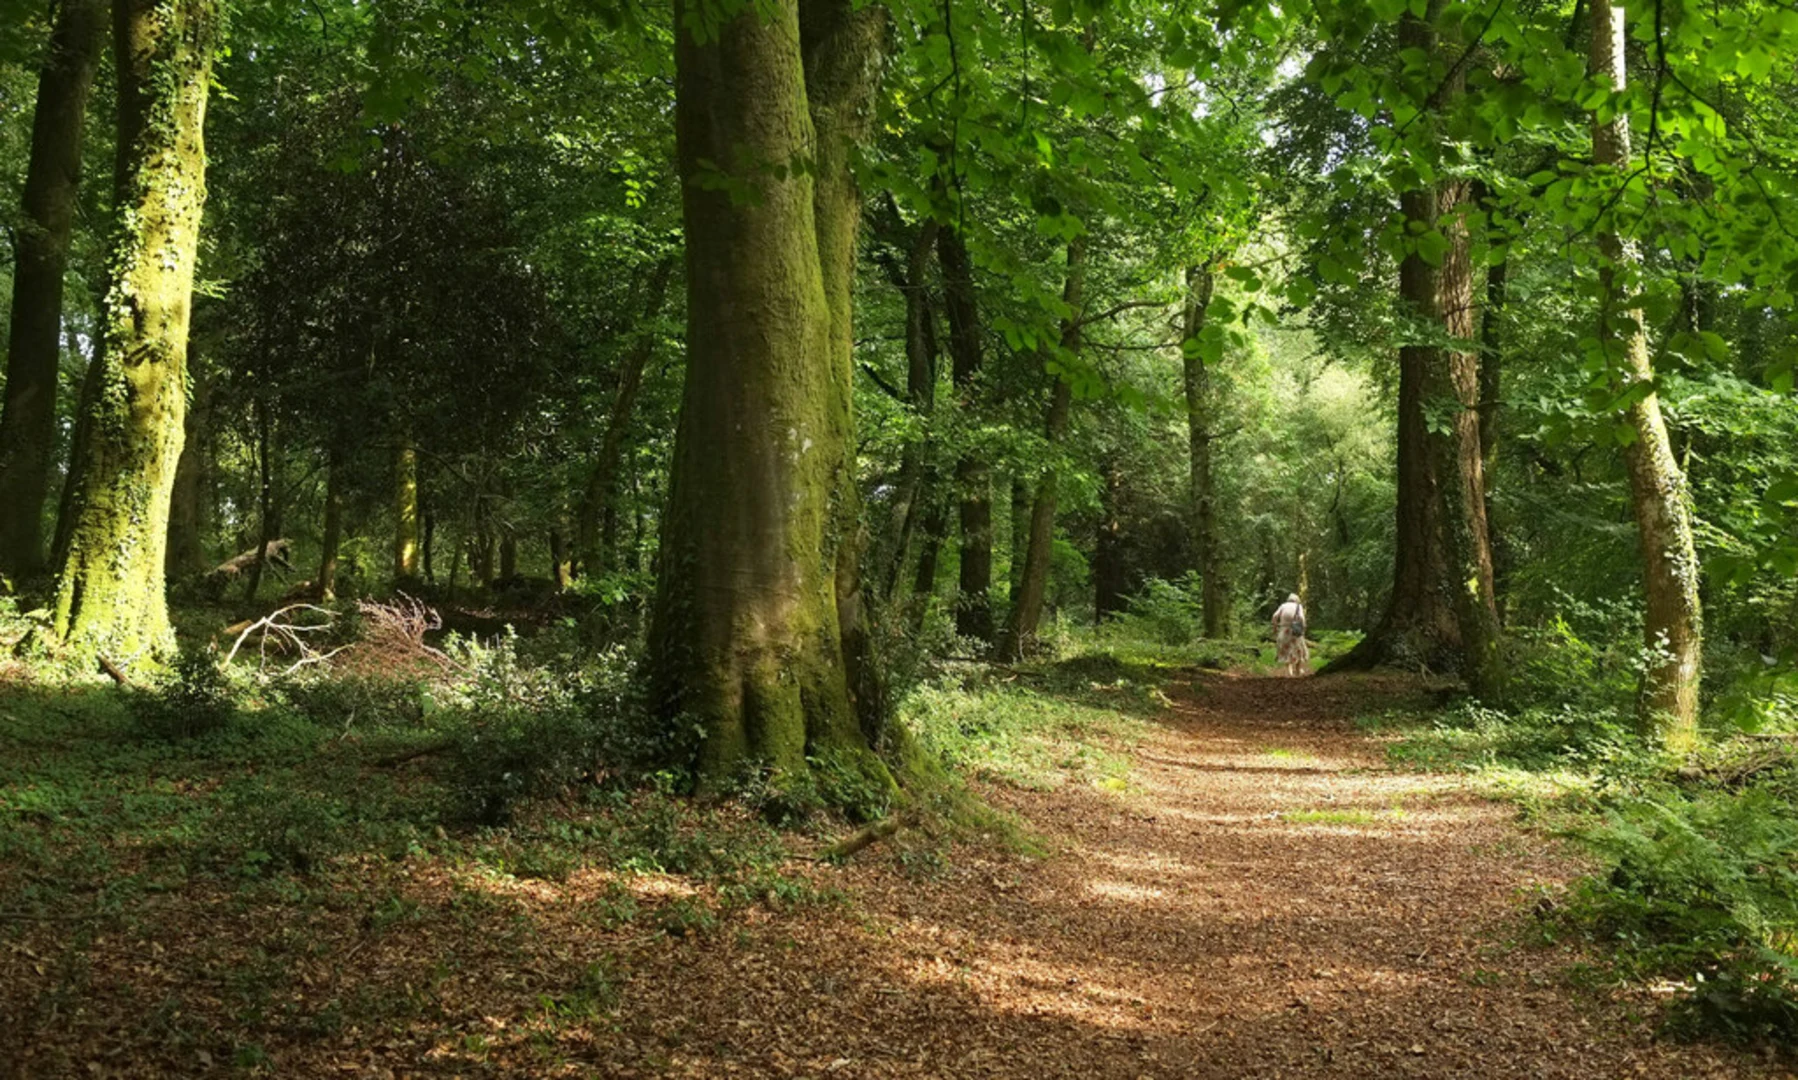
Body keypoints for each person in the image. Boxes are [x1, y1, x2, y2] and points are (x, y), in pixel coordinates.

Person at [1272, 592, 1308, 677]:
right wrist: (1303, 628)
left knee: (1286, 651)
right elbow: (1302, 619)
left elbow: (1274, 616)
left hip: (1284, 631)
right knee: (1299, 650)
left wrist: (1275, 627)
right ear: (1296, 600)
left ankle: (1289, 672)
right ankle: (1298, 670)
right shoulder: (1298, 606)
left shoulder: (1283, 606)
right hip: (1295, 632)